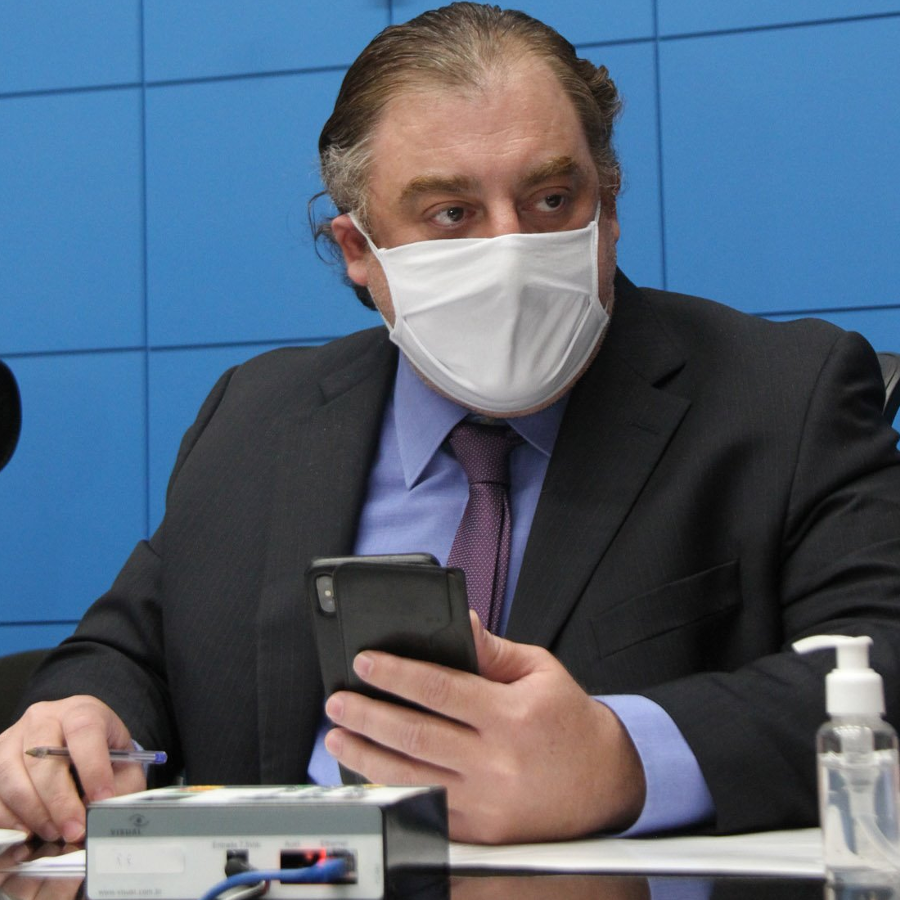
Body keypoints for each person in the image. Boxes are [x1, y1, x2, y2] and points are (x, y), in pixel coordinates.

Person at [2, 1, 900, 848]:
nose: (509, 248)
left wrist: (623, 759)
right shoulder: (256, 414)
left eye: (552, 199)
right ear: (359, 250)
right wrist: (84, 717)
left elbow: (885, 663)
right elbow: (127, 651)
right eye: (452, 214)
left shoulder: (784, 395)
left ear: (610, 209)